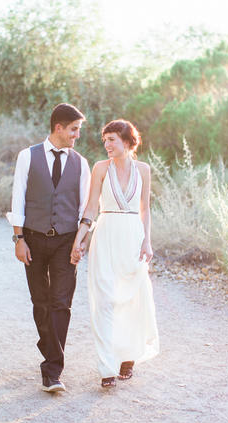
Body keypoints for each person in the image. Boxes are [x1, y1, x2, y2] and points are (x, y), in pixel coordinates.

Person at [6, 103, 91, 393]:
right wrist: (19, 239)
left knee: (61, 303)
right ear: (59, 127)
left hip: (66, 241)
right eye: (74, 130)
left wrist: (81, 241)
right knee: (41, 302)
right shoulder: (27, 157)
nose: (76, 136)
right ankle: (50, 346)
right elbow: (17, 197)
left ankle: (52, 370)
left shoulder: (81, 163)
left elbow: (84, 207)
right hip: (33, 238)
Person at [71, 119, 159, 388]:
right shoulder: (100, 168)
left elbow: (145, 209)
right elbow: (90, 209)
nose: (107, 145)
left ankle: (127, 359)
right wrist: (79, 239)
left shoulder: (143, 170)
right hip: (106, 235)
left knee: (132, 299)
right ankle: (106, 366)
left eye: (112, 139)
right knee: (105, 298)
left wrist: (147, 242)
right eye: (105, 140)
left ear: (128, 141)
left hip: (133, 237)